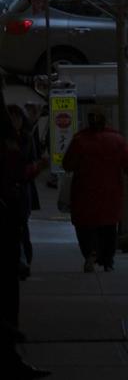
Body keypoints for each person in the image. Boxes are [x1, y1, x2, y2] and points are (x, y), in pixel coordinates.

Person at [62, 108, 128, 272]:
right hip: (110, 195)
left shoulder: (80, 140)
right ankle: (107, 260)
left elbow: (67, 164)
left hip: (84, 194)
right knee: (108, 228)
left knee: (85, 227)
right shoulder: (117, 141)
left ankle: (90, 253)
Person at [1, 81, 50, 379]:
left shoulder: (13, 141)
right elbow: (16, 172)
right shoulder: (8, 145)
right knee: (8, 289)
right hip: (8, 216)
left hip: (11, 215)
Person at [6, 106, 39, 279]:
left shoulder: (27, 138)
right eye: (11, 118)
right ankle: (21, 261)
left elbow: (32, 161)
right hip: (9, 189)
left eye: (17, 118)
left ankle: (24, 260)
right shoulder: (6, 139)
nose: (15, 121)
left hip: (22, 189)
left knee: (22, 226)